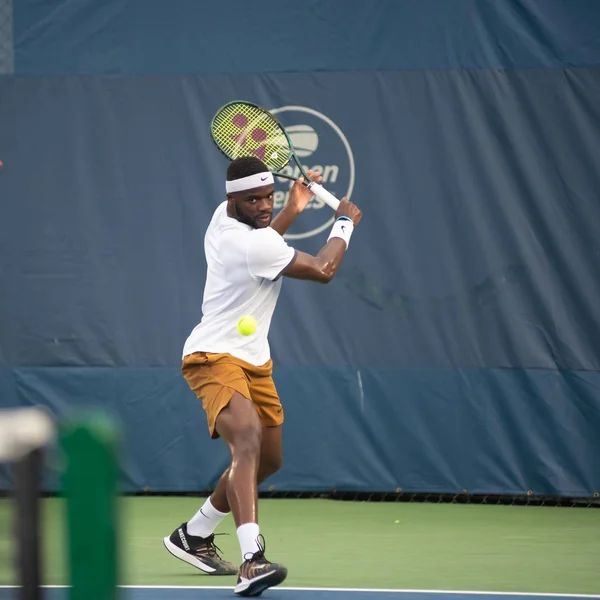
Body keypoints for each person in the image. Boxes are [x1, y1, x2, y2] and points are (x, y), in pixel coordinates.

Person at [164, 156, 362, 597]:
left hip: (254, 359)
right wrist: (343, 224)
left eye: (267, 196)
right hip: (212, 355)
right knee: (247, 438)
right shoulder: (247, 243)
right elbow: (323, 269)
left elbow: (268, 239)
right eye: (252, 200)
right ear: (231, 200)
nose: (263, 205)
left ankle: (193, 534)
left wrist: (292, 207)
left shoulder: (226, 220)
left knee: (267, 459)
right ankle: (252, 560)